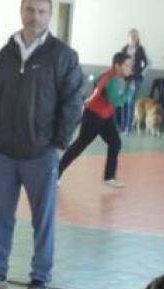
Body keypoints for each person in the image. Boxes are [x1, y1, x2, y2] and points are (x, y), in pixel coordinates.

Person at [0, 0, 84, 289]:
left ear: (50, 15)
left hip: (41, 152)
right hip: (0, 150)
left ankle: (40, 275)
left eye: (41, 11)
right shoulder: (6, 53)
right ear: (21, 12)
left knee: (44, 218)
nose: (35, 16)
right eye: (30, 10)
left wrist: (59, 143)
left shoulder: (62, 56)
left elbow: (74, 102)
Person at [58, 52, 133, 188]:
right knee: (80, 145)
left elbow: (101, 92)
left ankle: (109, 177)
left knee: (115, 142)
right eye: (127, 65)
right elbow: (116, 101)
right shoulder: (113, 79)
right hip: (94, 116)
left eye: (130, 65)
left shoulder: (110, 75)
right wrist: (130, 92)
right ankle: (56, 174)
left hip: (106, 115)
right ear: (117, 65)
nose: (130, 68)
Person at [119, 28, 148, 134]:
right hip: (124, 78)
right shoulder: (124, 49)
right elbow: (119, 62)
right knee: (123, 101)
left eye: (135, 36)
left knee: (131, 101)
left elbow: (145, 63)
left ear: (138, 38)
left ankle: (128, 127)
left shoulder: (140, 49)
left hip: (136, 79)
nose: (133, 38)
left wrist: (139, 71)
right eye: (132, 36)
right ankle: (122, 126)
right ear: (128, 37)